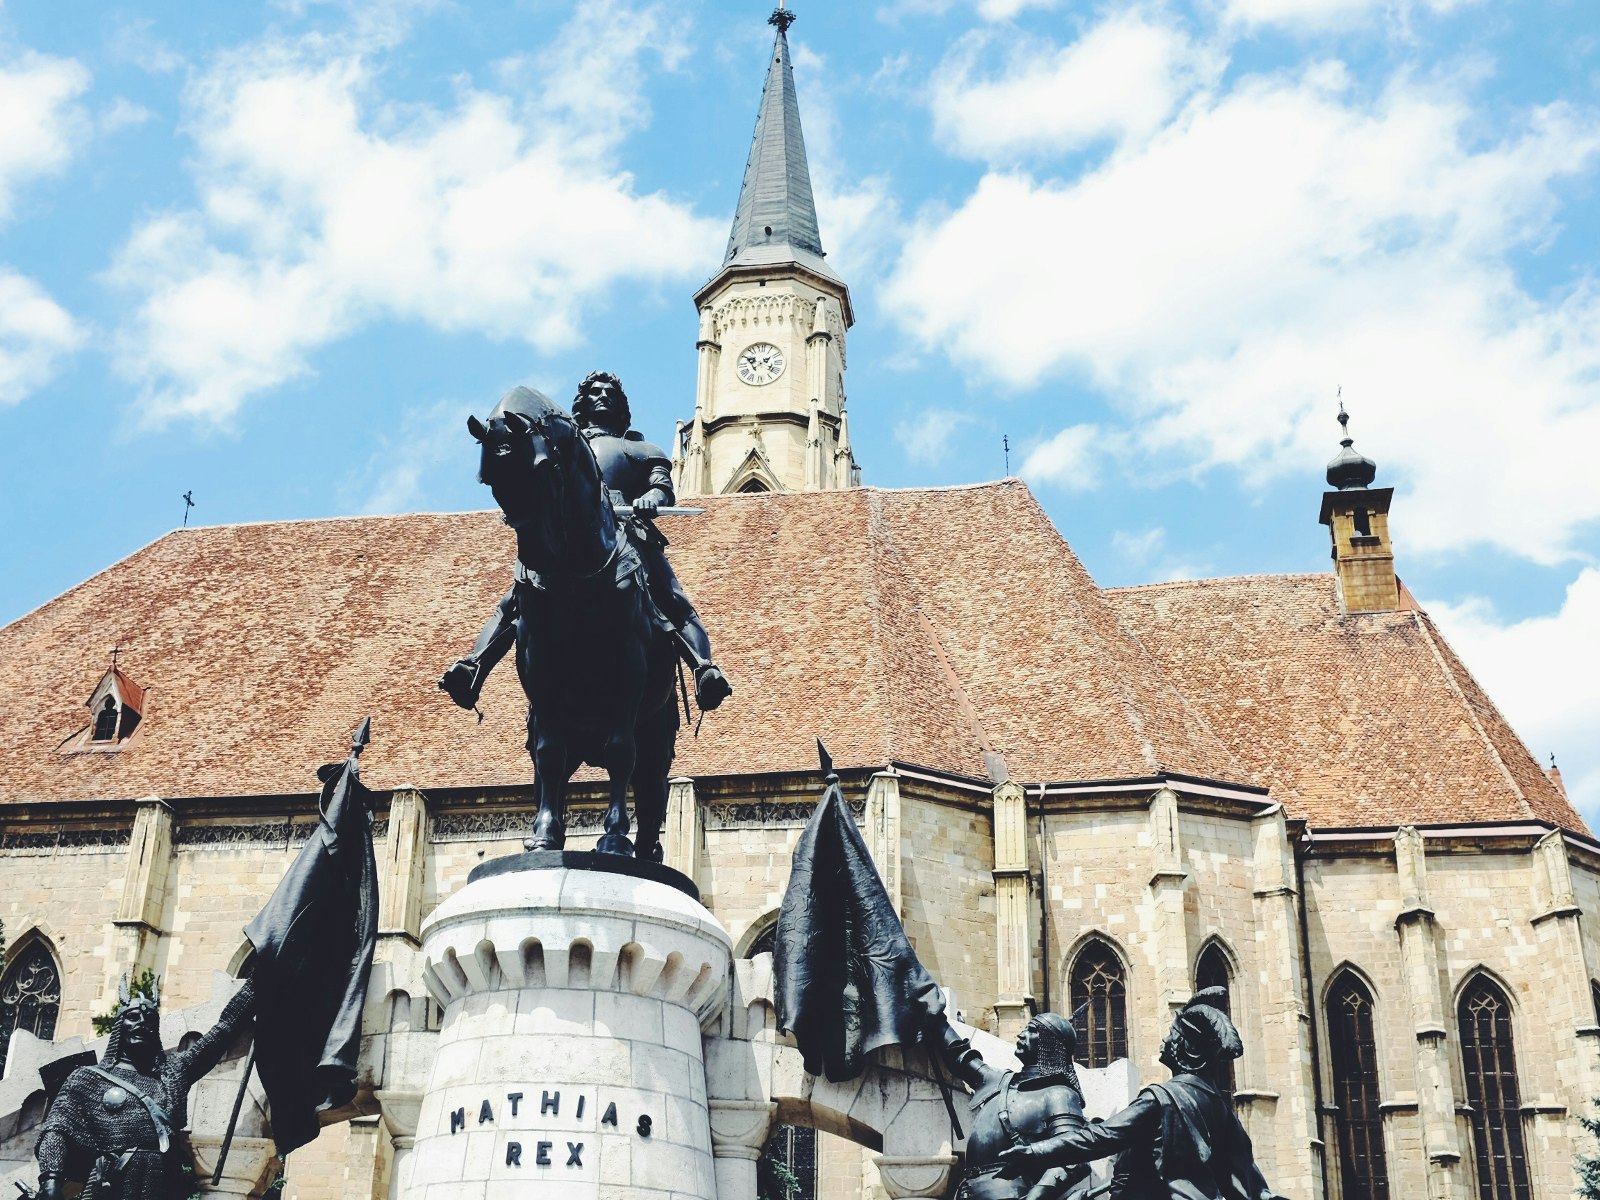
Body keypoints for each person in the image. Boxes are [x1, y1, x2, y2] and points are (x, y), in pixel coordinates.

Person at [440, 371, 731, 713]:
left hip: (628, 532)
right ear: (582, 403)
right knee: (516, 595)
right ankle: (474, 666)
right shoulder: (562, 445)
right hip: (566, 535)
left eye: (610, 392)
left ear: (621, 407)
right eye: (595, 391)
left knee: (671, 596)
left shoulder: (641, 450)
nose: (602, 396)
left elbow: (662, 487)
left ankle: (703, 668)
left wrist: (651, 498)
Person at [997, 989, 1286, 1200]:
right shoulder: (1218, 1105)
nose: (1164, 1040)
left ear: (1186, 1049)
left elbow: (1099, 1139)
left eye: (1172, 1035)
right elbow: (1248, 1176)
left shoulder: (1161, 1098)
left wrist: (1034, 1152)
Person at [34, 976, 257, 1199]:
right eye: (132, 1017)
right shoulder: (87, 1078)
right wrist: (50, 1179)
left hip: (164, 1183)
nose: (141, 1022)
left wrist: (259, 981)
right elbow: (57, 1129)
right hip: (112, 1182)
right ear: (120, 1025)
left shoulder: (172, 1073)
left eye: (149, 1019)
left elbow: (222, 1031)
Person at [935, 1013, 1095, 1200]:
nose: (1021, 1034)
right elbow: (961, 1057)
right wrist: (935, 1018)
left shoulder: (1059, 1094)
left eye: (1032, 1030)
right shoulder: (999, 1081)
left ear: (1050, 1043)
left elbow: (1074, 1156)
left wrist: (1036, 1195)